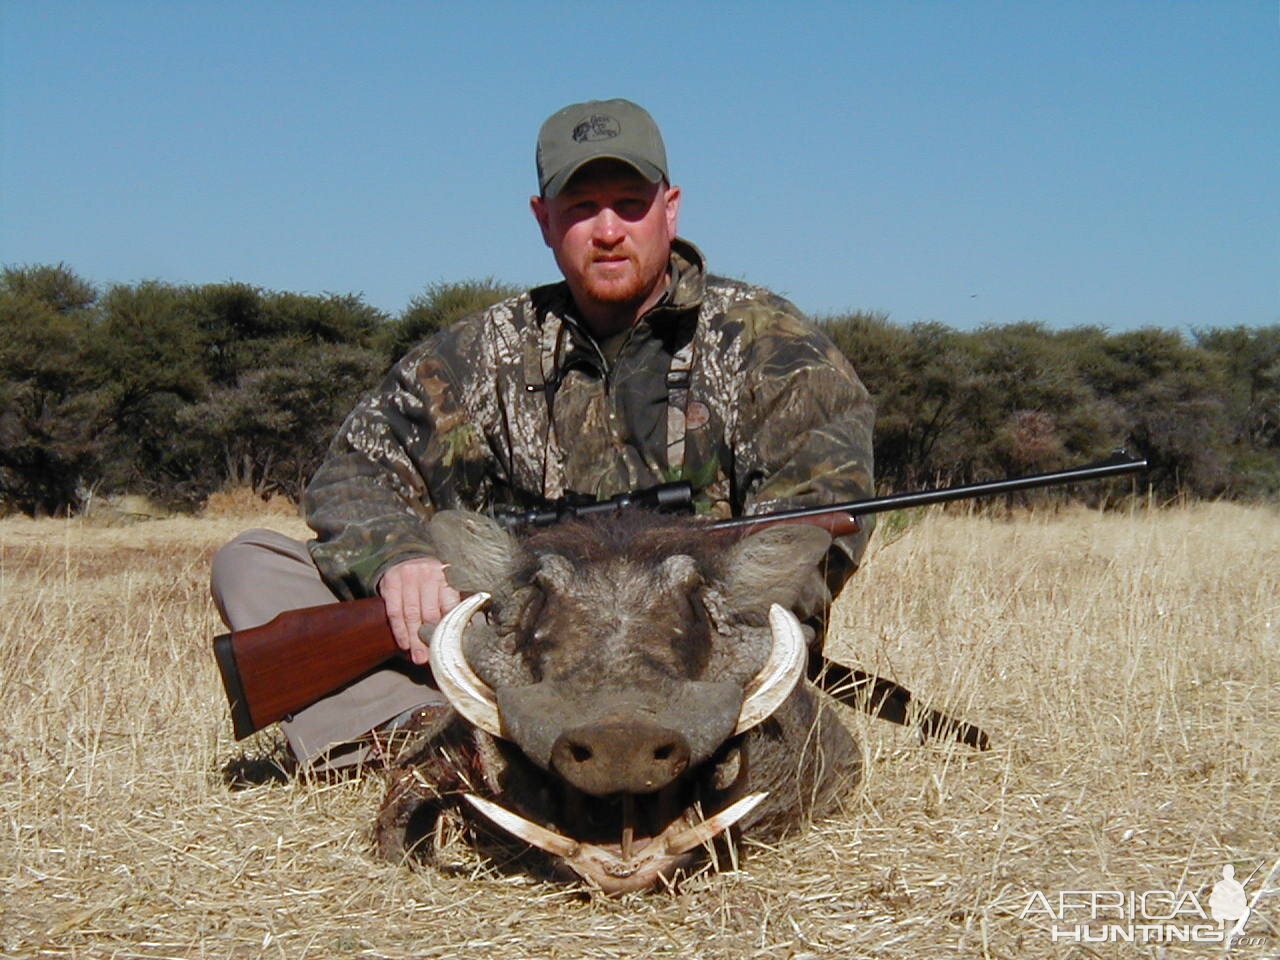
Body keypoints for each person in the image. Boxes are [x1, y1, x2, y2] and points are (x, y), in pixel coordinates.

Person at [211, 98, 875, 770]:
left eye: (629, 203)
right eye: (581, 207)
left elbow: (814, 522)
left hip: (677, 648)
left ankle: (539, 745)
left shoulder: (773, 347)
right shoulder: (479, 352)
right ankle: (407, 732)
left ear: (670, 208)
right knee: (254, 563)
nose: (608, 229)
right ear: (543, 221)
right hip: (516, 631)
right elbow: (355, 471)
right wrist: (398, 560)